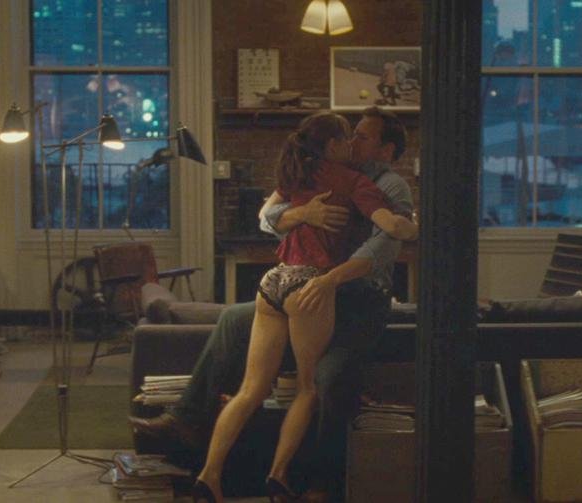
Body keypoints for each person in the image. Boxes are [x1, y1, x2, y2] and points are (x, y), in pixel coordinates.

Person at [130, 107, 414, 502]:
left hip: (357, 296)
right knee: (233, 320)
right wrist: (304, 214)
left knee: (328, 377)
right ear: (332, 144)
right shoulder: (336, 176)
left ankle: (322, 482)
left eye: (363, 137)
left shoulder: (389, 185)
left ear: (386, 150)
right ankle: (189, 422)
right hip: (307, 286)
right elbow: (267, 217)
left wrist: (329, 278)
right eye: (350, 135)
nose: (354, 142)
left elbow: (380, 247)